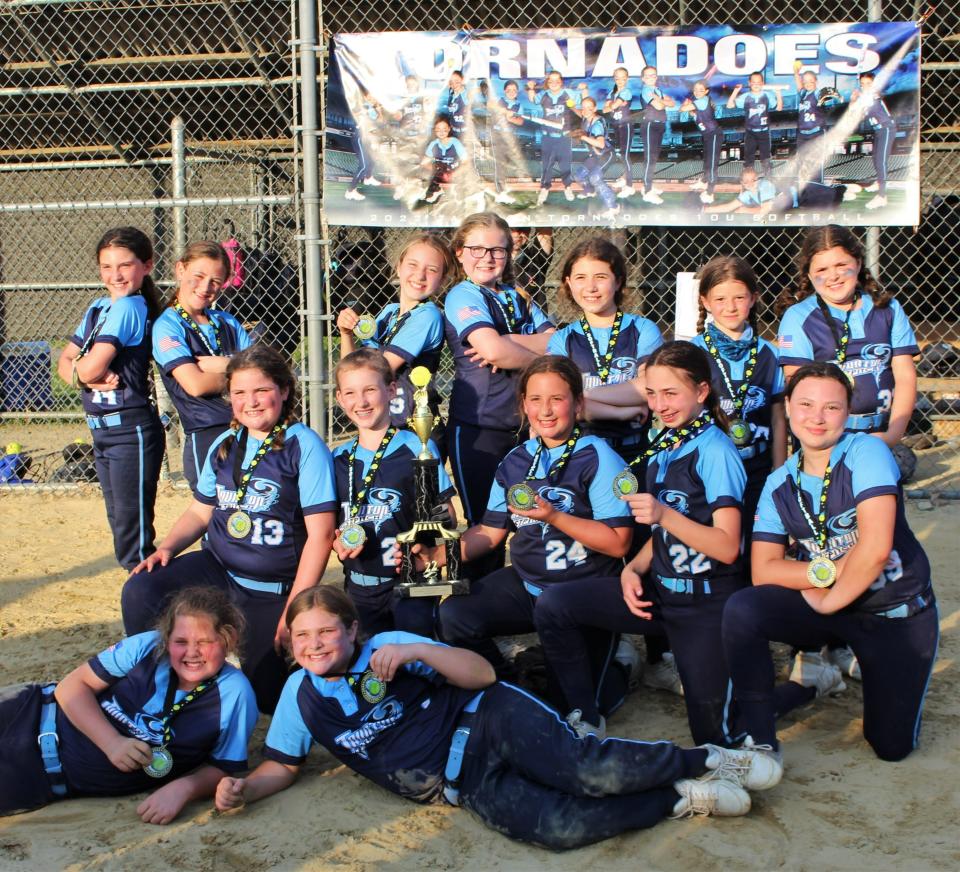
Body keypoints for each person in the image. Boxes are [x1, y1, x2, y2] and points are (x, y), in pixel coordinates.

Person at [214, 586, 782, 850]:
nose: (315, 645)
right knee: (558, 829)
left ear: (352, 630)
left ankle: (708, 759)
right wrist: (243, 790)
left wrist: (419, 652)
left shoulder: (386, 644)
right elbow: (282, 766)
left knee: (586, 772)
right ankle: (680, 796)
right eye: (304, 635)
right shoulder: (298, 694)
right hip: (462, 783)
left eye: (327, 631)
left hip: (488, 718)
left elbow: (482, 676)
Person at [722, 363, 938, 762]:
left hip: (890, 611)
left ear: (847, 411)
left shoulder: (866, 451)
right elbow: (763, 570)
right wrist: (826, 576)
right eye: (805, 404)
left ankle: (860, 670)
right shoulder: (778, 483)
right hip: (828, 602)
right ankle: (765, 736)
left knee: (891, 746)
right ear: (787, 407)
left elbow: (875, 549)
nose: (817, 418)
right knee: (744, 608)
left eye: (832, 407)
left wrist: (828, 598)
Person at [121, 345, 337, 714]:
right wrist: (168, 547)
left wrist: (293, 610)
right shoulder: (225, 444)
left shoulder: (304, 446)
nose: (250, 402)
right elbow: (201, 511)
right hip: (218, 570)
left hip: (271, 588)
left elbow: (321, 535)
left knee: (265, 696)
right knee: (142, 588)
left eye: (261, 391)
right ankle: (157, 687)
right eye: (239, 393)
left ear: (284, 391)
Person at [438, 356, 635, 735]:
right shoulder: (516, 460)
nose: (545, 410)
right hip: (530, 586)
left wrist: (555, 517)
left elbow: (617, 543)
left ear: (578, 405)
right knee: (456, 615)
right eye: (535, 399)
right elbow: (492, 533)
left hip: (581, 595)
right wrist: (440, 555)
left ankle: (622, 667)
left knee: (573, 711)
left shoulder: (599, 456)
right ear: (523, 405)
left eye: (557, 399)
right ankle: (509, 686)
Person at [776, 224, 919, 681]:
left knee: (877, 542)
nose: (833, 275)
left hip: (874, 440)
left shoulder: (885, 308)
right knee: (822, 541)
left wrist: (892, 437)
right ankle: (818, 646)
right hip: (826, 444)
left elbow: (904, 375)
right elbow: (798, 393)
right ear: (808, 273)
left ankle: (866, 633)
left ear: (859, 264)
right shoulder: (799, 317)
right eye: (822, 269)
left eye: (842, 265)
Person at [1, 587, 257, 820]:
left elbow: (225, 767)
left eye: (204, 642)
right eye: (180, 642)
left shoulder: (235, 694)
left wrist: (184, 789)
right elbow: (71, 687)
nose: (191, 652)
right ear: (166, 638)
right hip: (27, 712)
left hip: (38, 777)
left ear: (228, 639)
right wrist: (112, 743)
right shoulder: (146, 647)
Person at [619, 341, 748, 746]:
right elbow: (663, 533)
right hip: (664, 593)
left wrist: (663, 514)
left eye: (671, 393)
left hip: (707, 602)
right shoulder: (666, 445)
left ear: (702, 392)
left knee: (712, 734)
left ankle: (801, 690)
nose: (660, 405)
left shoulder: (715, 450)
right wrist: (633, 567)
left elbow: (728, 547)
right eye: (652, 394)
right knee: (561, 606)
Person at [56, 226, 164, 571]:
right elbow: (64, 363)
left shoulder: (130, 306)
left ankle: (149, 608)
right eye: (106, 267)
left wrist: (81, 374)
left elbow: (88, 369)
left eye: (125, 265)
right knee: (120, 522)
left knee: (132, 536)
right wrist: (80, 376)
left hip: (129, 430)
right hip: (102, 431)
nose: (115, 275)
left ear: (146, 266)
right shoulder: (100, 306)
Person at [332, 348, 457, 637]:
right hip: (358, 586)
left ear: (391, 391)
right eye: (350, 393)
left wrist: (435, 520)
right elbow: (328, 526)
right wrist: (335, 544)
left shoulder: (416, 446)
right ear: (339, 398)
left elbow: (447, 513)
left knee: (416, 661)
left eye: (370, 390)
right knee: (368, 669)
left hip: (410, 584)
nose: (360, 402)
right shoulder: (337, 458)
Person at [443, 211, 554, 532]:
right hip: (479, 429)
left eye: (497, 250)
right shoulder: (463, 294)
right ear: (460, 253)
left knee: (530, 525)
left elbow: (558, 341)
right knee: (486, 528)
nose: (487, 258)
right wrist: (531, 350)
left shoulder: (517, 295)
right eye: (478, 249)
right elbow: (491, 351)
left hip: (523, 426)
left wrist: (508, 342)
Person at [691, 256, 786, 548]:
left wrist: (779, 473)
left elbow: (778, 417)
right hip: (711, 470)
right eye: (720, 298)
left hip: (758, 467)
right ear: (705, 301)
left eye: (739, 297)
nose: (730, 307)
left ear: (753, 298)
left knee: (759, 544)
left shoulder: (770, 353)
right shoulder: (691, 353)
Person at [547, 236, 663, 465]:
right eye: (581, 278)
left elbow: (647, 387)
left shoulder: (643, 330)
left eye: (600, 277)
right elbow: (562, 404)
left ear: (618, 281)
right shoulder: (562, 340)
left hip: (634, 451)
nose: (590, 287)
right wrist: (621, 411)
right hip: (581, 454)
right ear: (569, 283)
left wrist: (583, 397)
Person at [336, 232, 453, 456]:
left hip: (417, 430)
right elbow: (350, 372)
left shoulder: (428, 316)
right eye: (412, 265)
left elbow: (378, 370)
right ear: (398, 267)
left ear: (442, 278)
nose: (420, 275)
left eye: (432, 269)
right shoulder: (389, 313)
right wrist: (346, 334)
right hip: (388, 426)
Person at [153, 241, 252, 491]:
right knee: (215, 517)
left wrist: (225, 365)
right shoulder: (168, 325)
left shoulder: (226, 321)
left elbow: (264, 374)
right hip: (208, 433)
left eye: (216, 281)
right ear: (180, 270)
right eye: (198, 276)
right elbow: (195, 385)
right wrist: (241, 375)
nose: (206, 287)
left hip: (250, 426)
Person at [527, 72, 582, 205]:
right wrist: (530, 88)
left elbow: (579, 103)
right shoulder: (544, 94)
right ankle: (545, 187)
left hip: (564, 137)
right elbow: (533, 100)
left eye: (557, 80)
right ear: (548, 82)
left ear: (561, 81)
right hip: (548, 136)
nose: (554, 83)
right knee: (547, 164)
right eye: (551, 80)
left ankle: (567, 186)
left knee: (565, 164)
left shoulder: (568, 93)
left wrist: (584, 90)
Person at [849, 72, 896, 210]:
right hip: (878, 130)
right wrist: (853, 100)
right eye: (862, 84)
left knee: (881, 161)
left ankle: (882, 196)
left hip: (887, 129)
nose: (865, 86)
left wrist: (856, 102)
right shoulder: (867, 97)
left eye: (868, 83)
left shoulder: (873, 98)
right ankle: (879, 182)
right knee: (876, 159)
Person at [727, 72, 782, 179]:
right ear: (749, 83)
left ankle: (769, 181)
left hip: (764, 132)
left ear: (762, 83)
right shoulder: (745, 97)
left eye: (758, 82)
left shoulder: (768, 95)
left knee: (766, 158)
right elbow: (729, 105)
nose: (756, 84)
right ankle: (748, 181)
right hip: (750, 132)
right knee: (748, 159)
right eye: (753, 82)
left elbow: (779, 108)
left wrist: (778, 94)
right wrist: (735, 91)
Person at [571, 96, 620, 219]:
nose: (585, 110)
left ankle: (613, 207)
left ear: (595, 109)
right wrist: (569, 103)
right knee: (579, 175)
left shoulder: (597, 124)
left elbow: (601, 144)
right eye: (584, 108)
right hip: (594, 155)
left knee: (595, 178)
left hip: (605, 154)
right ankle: (590, 190)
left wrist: (582, 137)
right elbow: (578, 111)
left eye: (589, 108)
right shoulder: (586, 117)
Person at [638, 65, 676, 206]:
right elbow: (660, 107)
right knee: (650, 158)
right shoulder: (647, 90)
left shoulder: (657, 90)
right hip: (650, 125)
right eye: (647, 76)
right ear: (643, 78)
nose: (651, 78)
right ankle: (647, 191)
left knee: (653, 158)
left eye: (653, 75)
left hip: (659, 124)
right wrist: (662, 101)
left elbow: (672, 103)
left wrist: (660, 99)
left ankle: (648, 185)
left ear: (656, 77)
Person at [680, 80, 721, 204]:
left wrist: (687, 101)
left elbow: (682, 109)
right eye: (695, 90)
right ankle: (704, 182)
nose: (697, 92)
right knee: (707, 162)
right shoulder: (698, 105)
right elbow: (687, 113)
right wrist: (688, 104)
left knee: (712, 164)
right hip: (708, 135)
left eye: (701, 90)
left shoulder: (702, 101)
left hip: (714, 134)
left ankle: (710, 192)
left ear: (707, 91)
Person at [792, 65, 831, 186]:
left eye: (811, 81)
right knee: (801, 161)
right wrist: (796, 73)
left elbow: (825, 96)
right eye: (805, 81)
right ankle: (803, 186)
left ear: (816, 81)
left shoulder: (817, 93)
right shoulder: (804, 94)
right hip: (803, 134)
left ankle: (818, 186)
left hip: (816, 133)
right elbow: (799, 86)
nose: (808, 83)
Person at [602, 67, 637, 199]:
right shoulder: (612, 92)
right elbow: (605, 109)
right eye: (617, 78)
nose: (620, 81)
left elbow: (612, 107)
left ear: (627, 78)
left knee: (625, 155)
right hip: (616, 125)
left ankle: (629, 186)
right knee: (621, 153)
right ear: (614, 78)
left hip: (626, 125)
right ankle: (625, 177)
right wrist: (612, 105)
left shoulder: (627, 91)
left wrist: (612, 105)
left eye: (623, 78)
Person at [344, 90, 383, 202]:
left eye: (374, 97)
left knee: (373, 159)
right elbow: (370, 125)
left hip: (368, 138)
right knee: (364, 165)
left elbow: (380, 121)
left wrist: (379, 111)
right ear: (365, 97)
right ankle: (350, 191)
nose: (372, 99)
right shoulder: (365, 107)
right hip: (360, 137)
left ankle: (368, 177)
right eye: (369, 97)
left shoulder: (374, 108)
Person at [419, 117, 468, 205]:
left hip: (455, 176)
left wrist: (454, 174)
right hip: (439, 177)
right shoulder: (433, 144)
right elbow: (424, 163)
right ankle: (435, 190)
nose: (441, 132)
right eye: (438, 129)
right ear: (434, 130)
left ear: (449, 129)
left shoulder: (455, 143)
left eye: (444, 129)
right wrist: (436, 171)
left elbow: (466, 163)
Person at [704, 166, 777, 214]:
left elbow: (766, 210)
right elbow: (728, 207)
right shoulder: (748, 193)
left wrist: (745, 210)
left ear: (757, 179)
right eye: (746, 181)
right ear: (742, 183)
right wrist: (705, 209)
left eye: (753, 180)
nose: (750, 183)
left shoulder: (765, 185)